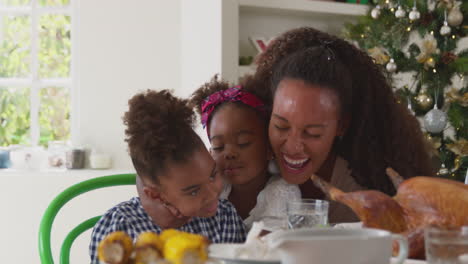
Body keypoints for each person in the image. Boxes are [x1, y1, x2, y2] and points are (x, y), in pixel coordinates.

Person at [245, 27, 435, 223]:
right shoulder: (246, 162)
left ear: (341, 126)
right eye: (281, 126)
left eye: (312, 133)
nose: (292, 146)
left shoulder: (359, 194)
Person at [89, 89, 246, 263]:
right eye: (193, 191)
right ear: (156, 194)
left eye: (213, 175)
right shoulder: (119, 227)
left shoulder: (224, 218)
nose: (213, 193)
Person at [190, 76, 300, 230]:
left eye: (243, 143)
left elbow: (267, 244)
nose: (229, 153)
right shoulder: (215, 192)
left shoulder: (282, 192)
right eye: (218, 147)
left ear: (269, 148)